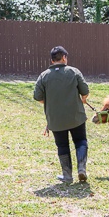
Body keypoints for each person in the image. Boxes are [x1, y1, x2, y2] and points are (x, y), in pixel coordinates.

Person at [34, 46, 90, 183]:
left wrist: (51, 103)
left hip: (55, 119)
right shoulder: (74, 72)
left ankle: (67, 175)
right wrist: (83, 99)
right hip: (76, 116)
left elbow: (37, 97)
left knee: (62, 145)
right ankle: (81, 168)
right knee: (80, 141)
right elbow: (85, 91)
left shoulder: (44, 76)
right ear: (64, 57)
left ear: (52, 60)